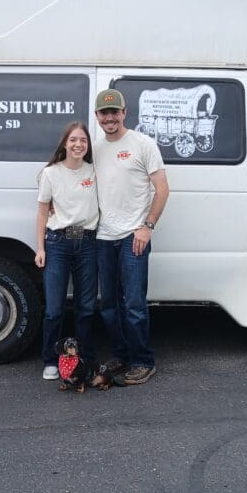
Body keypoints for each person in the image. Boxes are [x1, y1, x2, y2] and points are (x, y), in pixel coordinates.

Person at [92, 89, 169, 386]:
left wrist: (147, 226)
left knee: (134, 304)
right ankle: (121, 354)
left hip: (133, 237)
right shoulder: (95, 149)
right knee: (109, 304)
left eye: (115, 112)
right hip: (103, 238)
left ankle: (142, 361)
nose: (110, 118)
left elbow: (162, 189)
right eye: (104, 113)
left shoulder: (142, 144)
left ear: (124, 113)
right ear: (98, 116)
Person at [35, 121, 99, 380]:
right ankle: (51, 359)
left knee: (86, 307)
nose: (78, 144)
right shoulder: (50, 173)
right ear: (65, 143)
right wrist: (40, 248)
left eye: (83, 140)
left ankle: (83, 359)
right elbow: (41, 213)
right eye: (73, 139)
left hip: (88, 243)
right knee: (54, 309)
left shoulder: (95, 172)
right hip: (57, 243)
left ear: (87, 145)